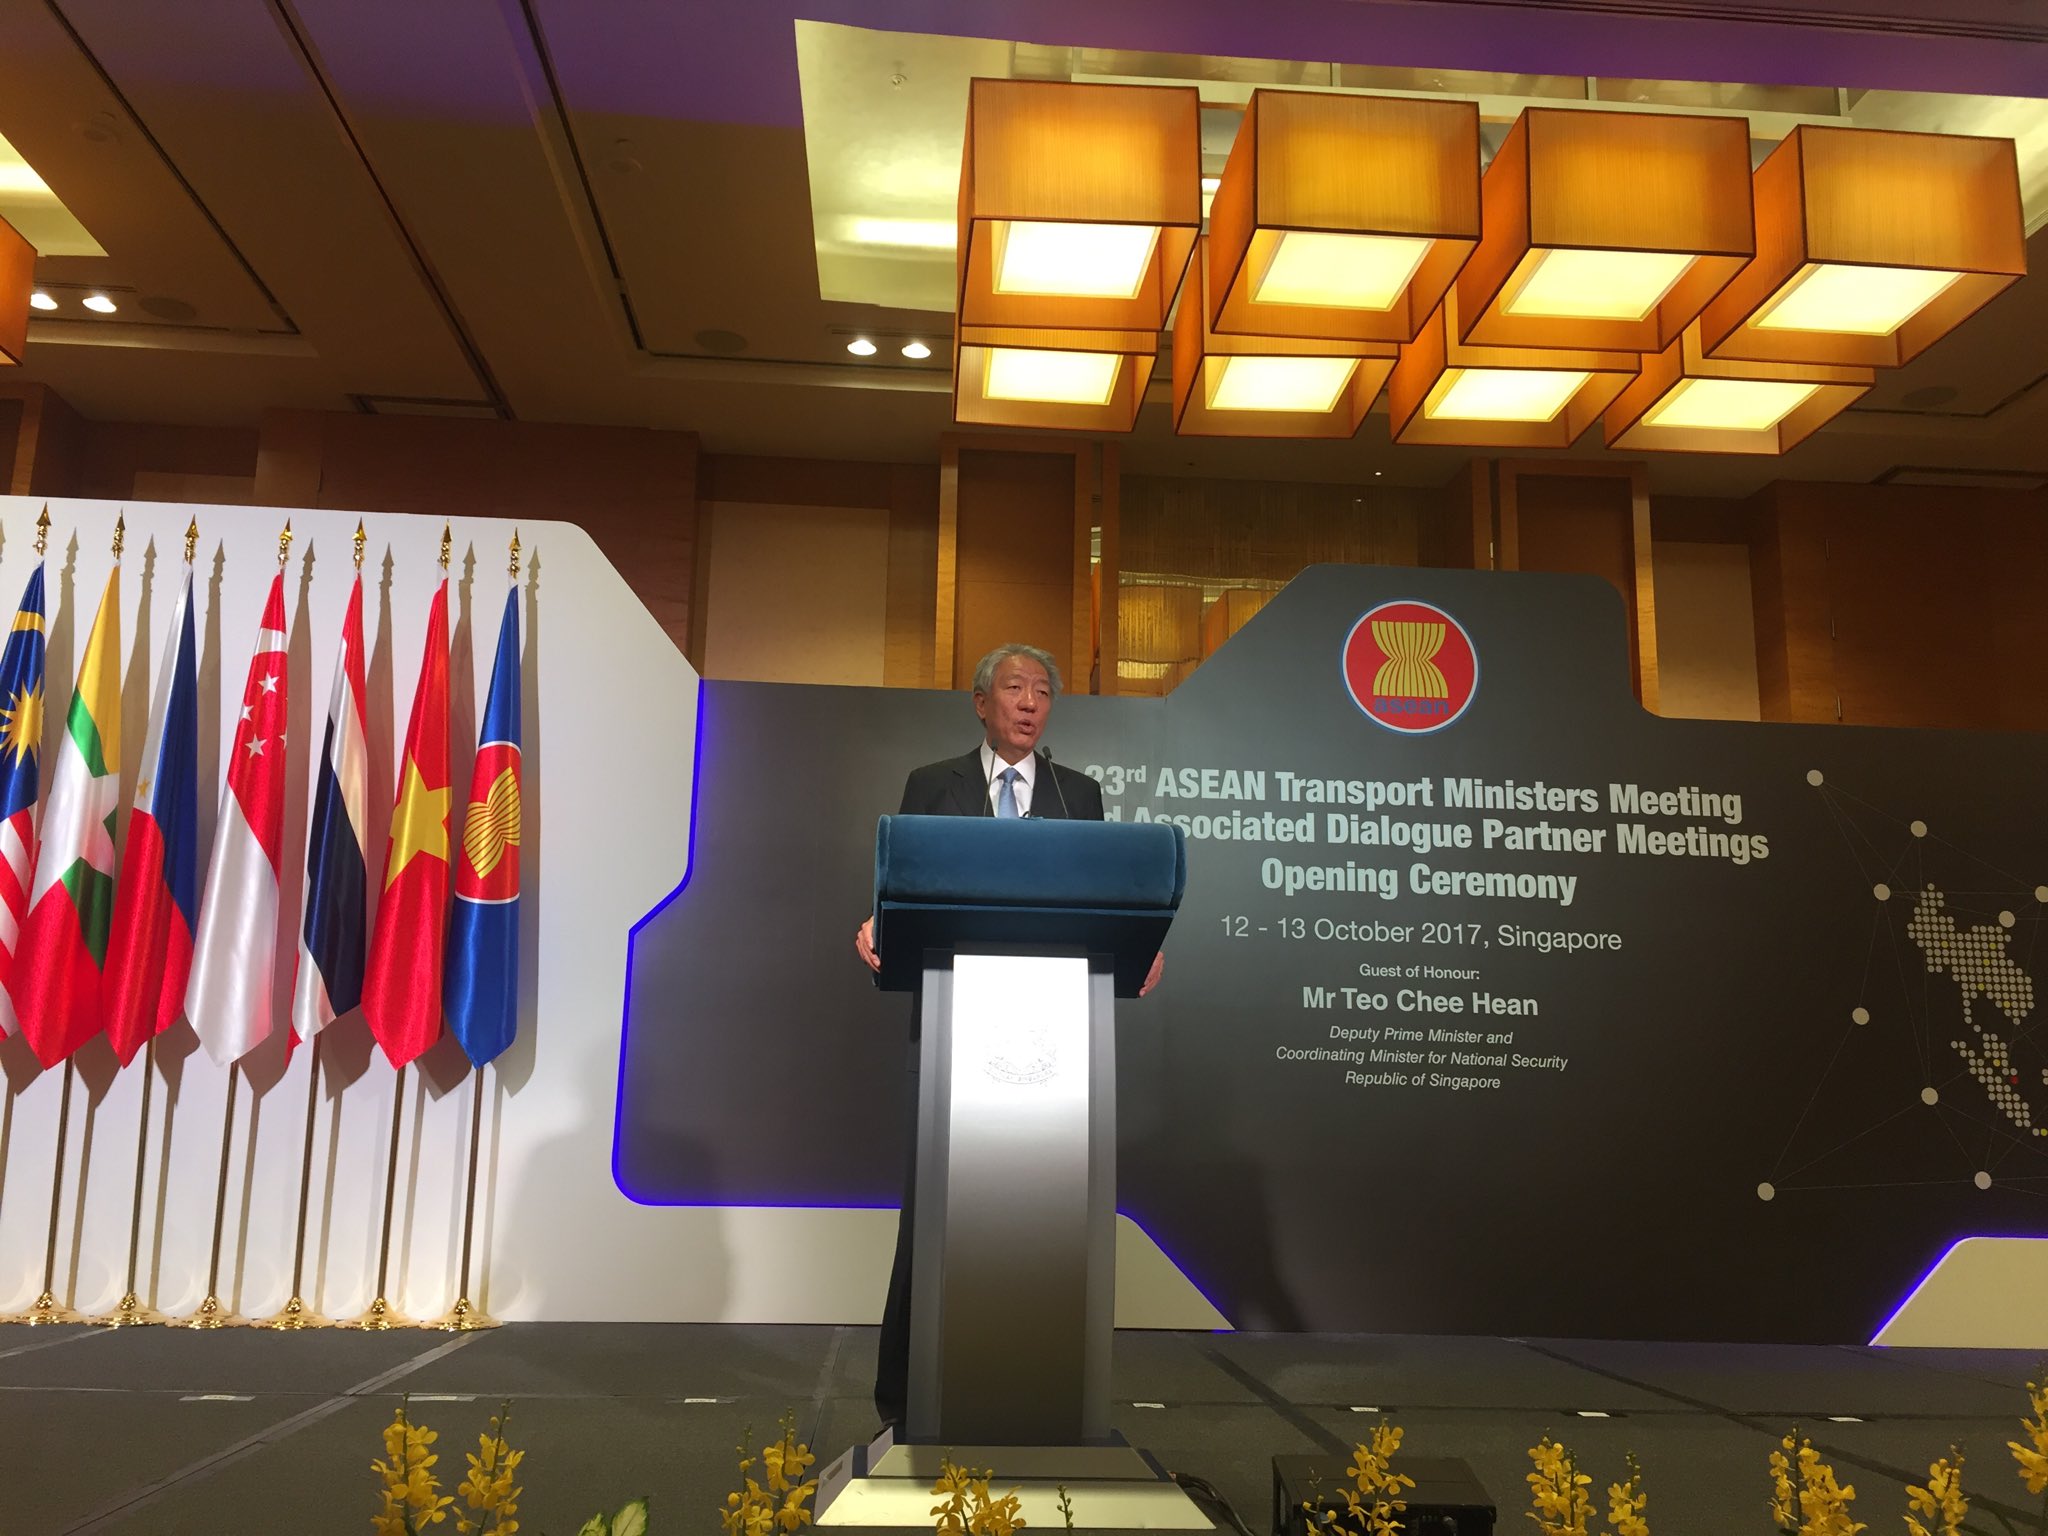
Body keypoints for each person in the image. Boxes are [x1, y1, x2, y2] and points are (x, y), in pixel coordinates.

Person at [853, 641, 1162, 1430]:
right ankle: (906, 1402)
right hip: (954, 1029)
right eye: (1016, 688)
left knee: (1040, 1222)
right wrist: (878, 922)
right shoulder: (933, 785)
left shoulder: (1075, 793)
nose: (1030, 703)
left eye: (1042, 692)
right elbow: (904, 885)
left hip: (1052, 1037)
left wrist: (1138, 941)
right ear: (982, 702)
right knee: (932, 1218)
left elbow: (1100, 901)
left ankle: (1041, 1393)